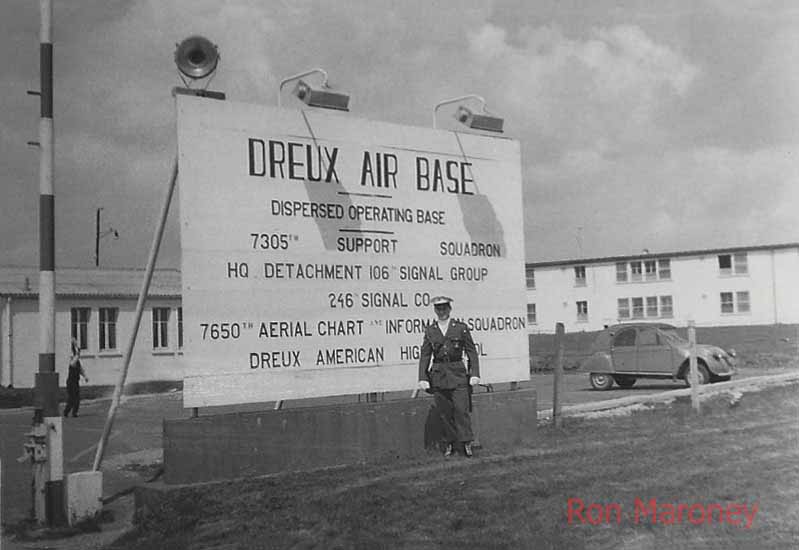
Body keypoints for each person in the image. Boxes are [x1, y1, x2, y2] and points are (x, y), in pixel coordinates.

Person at [417, 296, 480, 457]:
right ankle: (450, 443)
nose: (441, 311)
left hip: (457, 373)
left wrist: (475, 373)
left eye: (444, 308)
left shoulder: (460, 328)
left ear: (449, 309)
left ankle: (466, 443)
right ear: (435, 310)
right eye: (438, 308)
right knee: (445, 413)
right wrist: (422, 377)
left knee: (461, 410)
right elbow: (425, 355)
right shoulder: (430, 330)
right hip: (439, 375)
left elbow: (471, 351)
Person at [63, 338, 88, 417]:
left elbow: (81, 370)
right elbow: (76, 356)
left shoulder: (77, 363)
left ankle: (74, 413)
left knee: (77, 398)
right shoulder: (72, 363)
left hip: (76, 382)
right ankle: (66, 412)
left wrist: (85, 377)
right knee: (72, 398)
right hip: (70, 383)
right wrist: (76, 347)